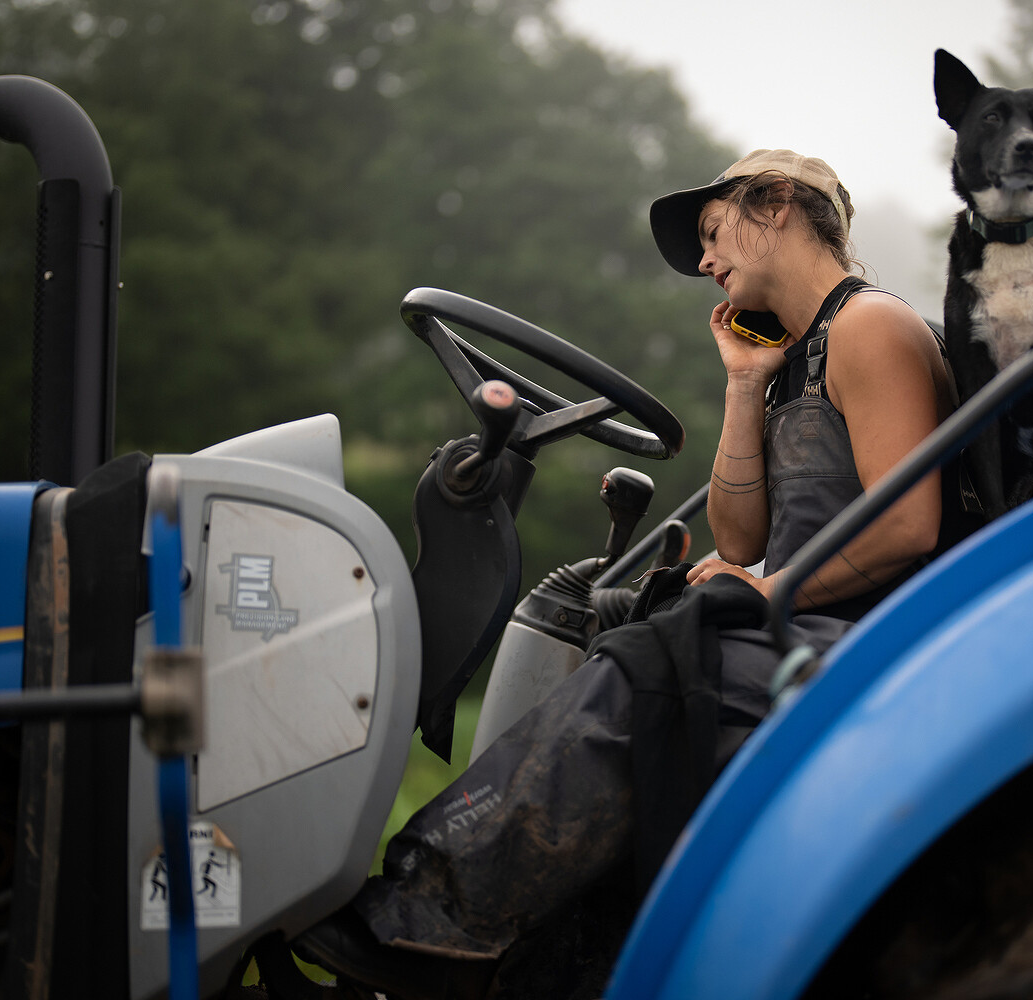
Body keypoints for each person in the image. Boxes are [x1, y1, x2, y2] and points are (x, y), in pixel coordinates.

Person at [289, 149, 979, 999]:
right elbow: (741, 531)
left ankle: (436, 917)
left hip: (865, 644)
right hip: (801, 622)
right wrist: (743, 381)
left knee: (647, 670)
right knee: (616, 624)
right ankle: (552, 959)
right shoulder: (794, 360)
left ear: (775, 205)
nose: (703, 262)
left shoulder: (871, 326)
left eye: (712, 231)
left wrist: (770, 590)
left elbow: (909, 526)